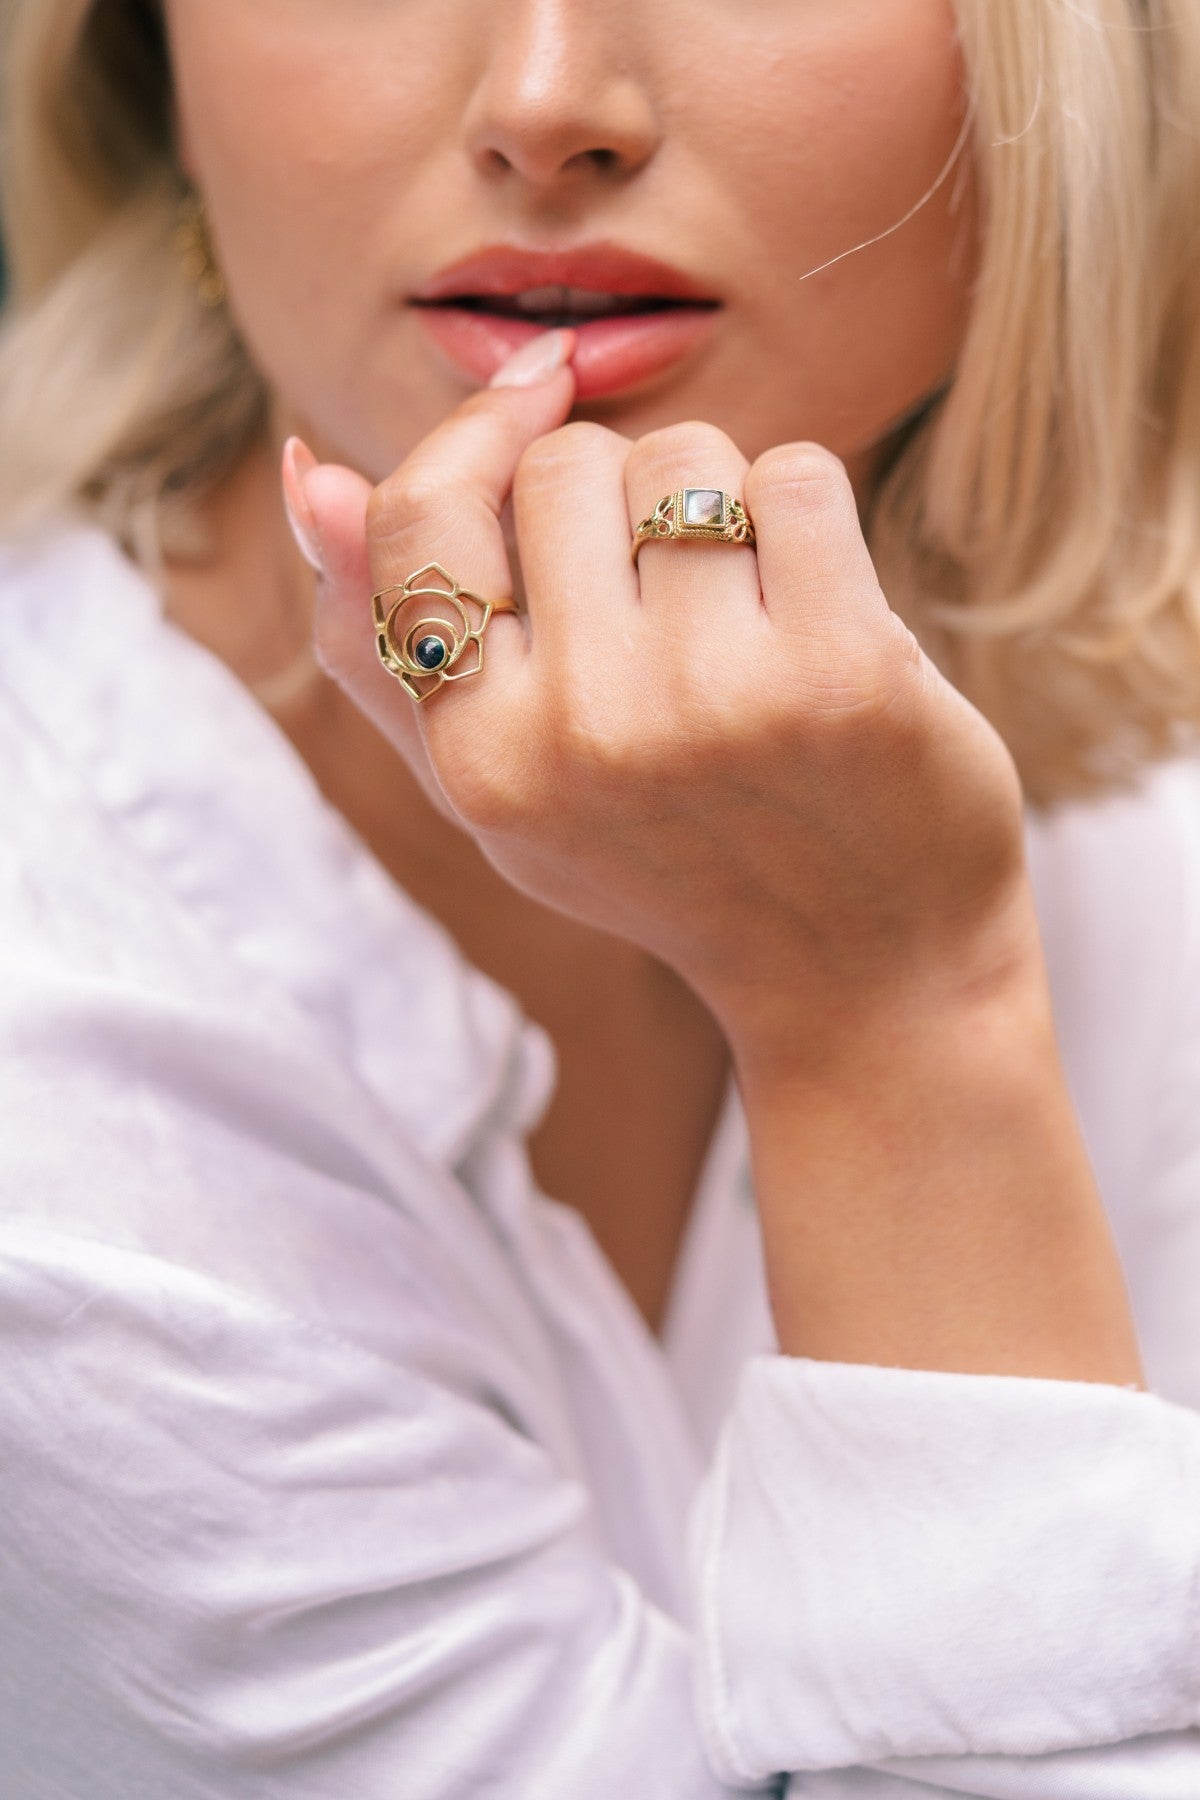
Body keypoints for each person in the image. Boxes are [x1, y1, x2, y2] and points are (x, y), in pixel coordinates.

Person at [0, 0, 1198, 1794]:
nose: (548, 105)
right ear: (139, 59)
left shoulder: (1146, 812)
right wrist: (895, 1033)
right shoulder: (54, 1148)